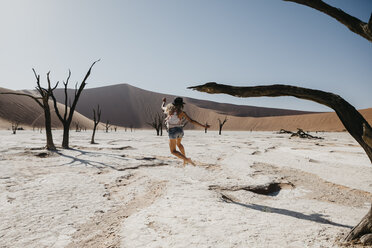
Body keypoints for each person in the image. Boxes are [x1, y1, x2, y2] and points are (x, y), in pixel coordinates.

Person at [162, 97, 210, 166]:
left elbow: (162, 107)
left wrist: (163, 102)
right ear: (181, 105)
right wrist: (204, 126)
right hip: (180, 130)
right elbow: (192, 121)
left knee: (173, 151)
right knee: (179, 144)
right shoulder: (182, 113)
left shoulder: (168, 109)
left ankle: (187, 160)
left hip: (172, 131)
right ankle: (185, 161)